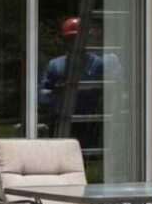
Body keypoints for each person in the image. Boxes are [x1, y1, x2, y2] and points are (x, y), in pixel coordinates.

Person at [39, 17, 122, 147]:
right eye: (72, 39)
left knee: (88, 159)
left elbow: (118, 75)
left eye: (79, 39)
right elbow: (41, 95)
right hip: (63, 121)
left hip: (91, 122)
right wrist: (58, 92)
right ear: (65, 41)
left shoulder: (99, 62)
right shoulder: (56, 65)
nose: (76, 43)